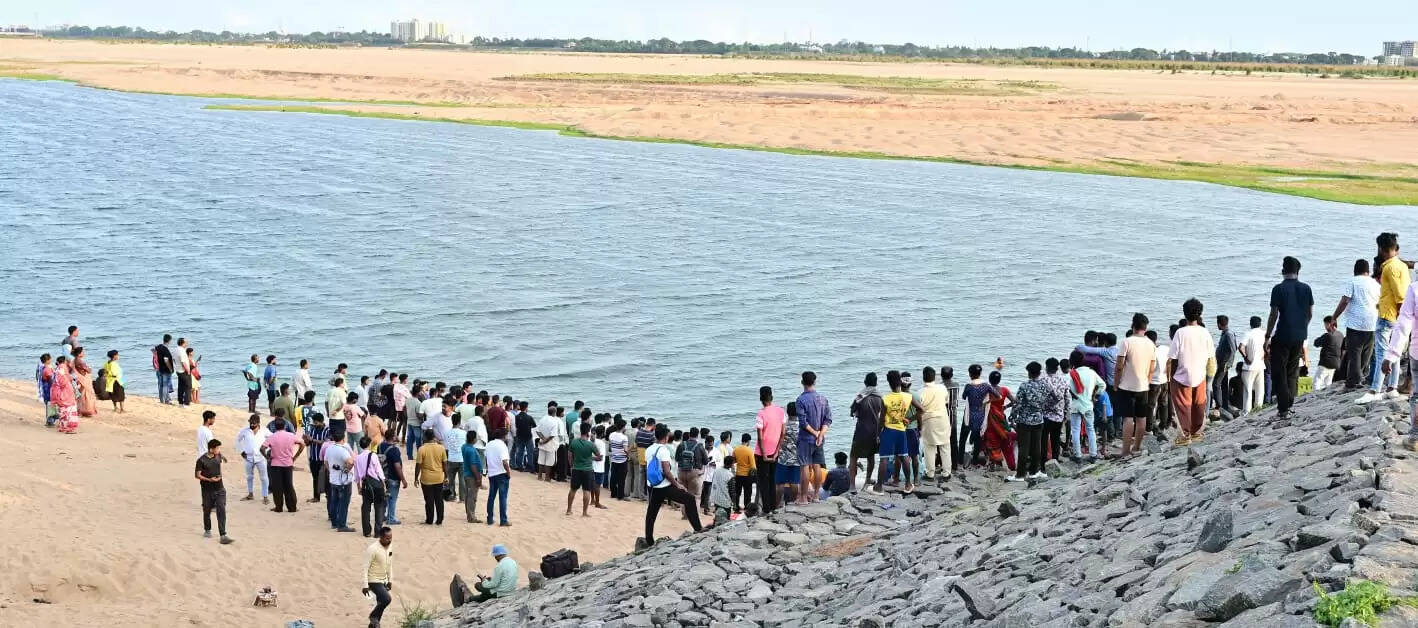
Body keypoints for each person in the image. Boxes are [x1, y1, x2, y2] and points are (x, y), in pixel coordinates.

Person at [1265, 256, 1314, 420]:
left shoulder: (1278, 289)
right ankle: (1290, 402)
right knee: (1293, 370)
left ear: (1283, 271)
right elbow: (1310, 313)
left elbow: (1274, 314)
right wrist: (1302, 326)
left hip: (1282, 335)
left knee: (1279, 372)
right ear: (1298, 271)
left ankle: (1283, 407)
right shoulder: (1306, 288)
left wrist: (1267, 336)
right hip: (1300, 335)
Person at [1364, 233, 1411, 402]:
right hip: (1395, 315)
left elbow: (1400, 296)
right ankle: (1392, 387)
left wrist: (1400, 318)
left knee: (1382, 352)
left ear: (1381, 248)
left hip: (1388, 315)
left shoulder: (1390, 268)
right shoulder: (1402, 265)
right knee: (1395, 351)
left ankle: (1375, 390)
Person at [643, 423, 703, 546]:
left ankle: (649, 539)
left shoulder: (649, 449)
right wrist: (677, 484)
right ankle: (698, 529)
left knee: (651, 513)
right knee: (690, 499)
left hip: (652, 485)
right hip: (664, 486)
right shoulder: (663, 450)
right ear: (665, 437)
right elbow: (666, 471)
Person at [1169, 298, 1216, 444]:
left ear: (1185, 314)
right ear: (1200, 313)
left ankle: (1185, 435)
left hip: (1183, 374)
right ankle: (1196, 433)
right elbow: (1210, 356)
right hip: (1200, 374)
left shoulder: (1180, 333)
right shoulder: (1205, 332)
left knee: (1183, 406)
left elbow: (1173, 358)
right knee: (1199, 404)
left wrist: (1171, 376)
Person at [1333, 258, 1381, 391]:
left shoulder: (1352, 281)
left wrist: (1334, 317)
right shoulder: (1376, 284)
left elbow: (1345, 301)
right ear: (1368, 270)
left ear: (1355, 270)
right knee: (1366, 353)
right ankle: (1359, 377)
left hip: (1355, 324)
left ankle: (1352, 383)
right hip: (1372, 323)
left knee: (1354, 354)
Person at [1380, 276, 1418, 443]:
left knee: (1417, 396)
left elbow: (1403, 325)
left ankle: (1415, 437)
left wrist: (1391, 356)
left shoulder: (1415, 289)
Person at [1115, 313, 1157, 458]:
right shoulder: (1151, 344)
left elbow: (1119, 366)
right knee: (1141, 418)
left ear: (1133, 325)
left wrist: (1116, 383)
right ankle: (1137, 447)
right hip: (1143, 386)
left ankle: (1125, 450)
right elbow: (1152, 367)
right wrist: (1148, 381)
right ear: (1146, 327)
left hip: (1126, 386)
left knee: (1128, 418)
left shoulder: (1127, 342)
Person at [1011, 362, 1057, 482]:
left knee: (1024, 448)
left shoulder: (1024, 386)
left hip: (1025, 420)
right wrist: (1045, 407)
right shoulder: (1045, 384)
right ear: (1039, 372)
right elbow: (1056, 397)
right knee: (1037, 446)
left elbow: (1018, 404)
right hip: (1039, 419)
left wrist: (1012, 417)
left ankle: (1020, 475)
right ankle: (1034, 471)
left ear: (1029, 373)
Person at [871, 371, 912, 495]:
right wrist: (909, 419)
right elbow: (921, 409)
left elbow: (882, 419)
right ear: (900, 381)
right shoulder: (907, 396)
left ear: (889, 383)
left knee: (884, 458)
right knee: (904, 456)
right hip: (901, 431)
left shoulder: (886, 398)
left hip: (889, 431)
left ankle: (878, 487)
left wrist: (878, 434)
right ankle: (908, 484)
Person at [794, 371, 832, 504]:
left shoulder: (800, 400)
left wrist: (816, 433)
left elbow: (803, 423)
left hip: (806, 438)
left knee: (804, 466)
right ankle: (816, 496)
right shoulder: (823, 398)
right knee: (817, 466)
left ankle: (803, 498)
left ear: (802, 382)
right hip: (819, 439)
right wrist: (821, 434)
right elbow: (828, 420)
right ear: (814, 382)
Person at [1067, 350, 1104, 462]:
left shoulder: (1071, 374)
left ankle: (1077, 455)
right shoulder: (1091, 373)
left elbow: (1066, 389)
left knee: (1075, 430)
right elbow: (1102, 385)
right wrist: (1095, 396)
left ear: (1071, 361)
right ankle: (1093, 454)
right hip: (1088, 404)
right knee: (1090, 429)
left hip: (1075, 405)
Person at [195, 438, 234, 544]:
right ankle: (207, 530)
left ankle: (223, 535)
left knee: (221, 509)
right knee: (207, 510)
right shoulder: (201, 460)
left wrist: (224, 458)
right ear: (211, 449)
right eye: (217, 448)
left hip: (220, 489)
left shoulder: (218, 455)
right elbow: (197, 475)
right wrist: (209, 480)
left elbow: (220, 455)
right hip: (207, 490)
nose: (219, 450)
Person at [916, 367, 952, 481]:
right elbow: (946, 400)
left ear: (923, 377)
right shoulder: (942, 388)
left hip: (928, 421)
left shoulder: (920, 392)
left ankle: (930, 473)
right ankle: (947, 473)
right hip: (942, 419)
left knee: (929, 448)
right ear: (935, 377)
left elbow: (918, 409)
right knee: (945, 446)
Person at [754, 386, 786, 514]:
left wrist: (764, 454)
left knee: (763, 482)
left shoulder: (761, 413)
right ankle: (773, 506)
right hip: (775, 452)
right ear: (772, 397)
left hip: (761, 453)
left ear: (761, 398)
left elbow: (760, 437)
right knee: (773, 480)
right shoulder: (780, 411)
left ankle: (766, 509)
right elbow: (783, 433)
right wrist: (777, 451)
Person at [264, 419, 304, 513]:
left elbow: (262, 448)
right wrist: (295, 457)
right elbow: (302, 444)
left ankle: (278, 507)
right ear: (285, 426)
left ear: (275, 426)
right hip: (288, 463)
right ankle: (292, 508)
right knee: (289, 486)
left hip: (275, 464)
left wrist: (268, 458)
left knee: (277, 486)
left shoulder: (272, 437)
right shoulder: (291, 436)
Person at [354, 436, 387, 536]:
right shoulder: (373, 456)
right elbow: (379, 471)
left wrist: (359, 488)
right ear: (369, 445)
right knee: (379, 507)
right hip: (376, 483)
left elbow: (357, 475)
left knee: (366, 508)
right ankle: (378, 531)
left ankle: (367, 531)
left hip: (365, 484)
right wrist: (384, 484)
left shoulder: (357, 458)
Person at [982, 371, 1016, 469]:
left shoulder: (987, 390)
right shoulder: (1004, 390)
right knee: (1001, 435)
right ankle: (1001, 458)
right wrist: (1005, 407)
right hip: (1000, 416)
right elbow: (1014, 401)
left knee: (990, 437)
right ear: (999, 380)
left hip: (989, 417)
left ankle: (994, 460)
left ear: (989, 379)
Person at [324, 430, 356, 532]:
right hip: (343, 480)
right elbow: (351, 462)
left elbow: (325, 462)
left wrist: (331, 471)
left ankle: (334, 522)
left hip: (333, 479)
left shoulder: (329, 448)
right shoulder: (343, 450)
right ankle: (342, 525)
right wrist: (347, 470)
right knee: (344, 503)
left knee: (334, 501)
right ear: (343, 439)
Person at [362, 527, 394, 628]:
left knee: (380, 604)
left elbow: (390, 564)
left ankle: (374, 625)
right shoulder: (372, 549)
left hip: (383, 580)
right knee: (386, 599)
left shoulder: (390, 547)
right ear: (381, 537)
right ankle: (373, 616)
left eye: (391, 538)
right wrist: (365, 585)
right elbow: (365, 567)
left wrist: (390, 580)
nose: (389, 540)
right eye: (387, 538)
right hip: (373, 580)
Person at [568, 422, 601, 517]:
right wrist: (591, 458)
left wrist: (571, 465)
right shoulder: (591, 445)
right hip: (588, 470)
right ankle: (584, 512)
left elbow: (570, 455)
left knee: (573, 490)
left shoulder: (574, 442)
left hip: (576, 469)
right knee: (586, 491)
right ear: (588, 432)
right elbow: (599, 456)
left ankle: (569, 509)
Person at [414, 428, 447, 526]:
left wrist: (416, 478)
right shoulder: (441, 448)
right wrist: (446, 476)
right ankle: (439, 520)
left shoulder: (422, 449)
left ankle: (429, 519)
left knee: (429, 500)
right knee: (439, 499)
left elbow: (418, 465)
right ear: (434, 437)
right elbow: (445, 464)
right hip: (439, 477)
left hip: (426, 479)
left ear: (425, 437)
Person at [235, 414, 270, 504]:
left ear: (258, 423)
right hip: (248, 458)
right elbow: (237, 440)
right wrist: (241, 451)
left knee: (264, 478)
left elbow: (272, 439)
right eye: (250, 423)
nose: (252, 425)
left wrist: (268, 450)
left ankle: (265, 496)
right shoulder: (245, 431)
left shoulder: (264, 430)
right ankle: (250, 494)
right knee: (249, 477)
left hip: (261, 458)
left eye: (254, 423)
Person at [1238, 316, 1267, 414]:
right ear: (1260, 324)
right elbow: (1269, 344)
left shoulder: (1248, 333)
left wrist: (1246, 358)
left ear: (1251, 324)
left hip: (1249, 367)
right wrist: (1265, 354)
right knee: (1260, 390)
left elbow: (1241, 347)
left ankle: (1246, 412)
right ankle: (1258, 409)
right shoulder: (1264, 333)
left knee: (1248, 391)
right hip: (1260, 366)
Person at [378, 428, 407, 525]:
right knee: (392, 499)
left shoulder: (381, 446)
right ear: (393, 437)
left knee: (384, 498)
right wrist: (403, 479)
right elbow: (397, 466)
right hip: (393, 477)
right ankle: (391, 518)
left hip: (383, 476)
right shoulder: (394, 450)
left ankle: (382, 516)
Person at [485, 428, 512, 527]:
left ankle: (490, 518)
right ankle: (503, 520)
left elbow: (486, 458)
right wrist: (508, 472)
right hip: (501, 473)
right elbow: (505, 461)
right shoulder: (502, 446)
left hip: (492, 473)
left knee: (491, 496)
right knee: (503, 497)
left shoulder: (489, 444)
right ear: (503, 436)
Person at [1313, 316, 1345, 390]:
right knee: (1328, 382)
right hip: (1336, 362)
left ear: (1329, 324)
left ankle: (1315, 397)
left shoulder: (1327, 335)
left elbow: (1316, 343)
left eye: (1325, 325)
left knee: (1317, 381)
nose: (1325, 327)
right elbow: (1342, 349)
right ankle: (1325, 397)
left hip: (1325, 362)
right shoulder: (1341, 335)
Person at [303, 411, 329, 504]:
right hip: (313, 458)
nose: (314, 424)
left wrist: (312, 440)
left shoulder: (327, 430)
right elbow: (308, 443)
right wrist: (306, 439)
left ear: (321, 421)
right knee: (315, 478)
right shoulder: (313, 430)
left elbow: (326, 443)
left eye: (316, 422)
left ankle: (328, 496)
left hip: (323, 459)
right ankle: (316, 497)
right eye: (314, 422)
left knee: (325, 478)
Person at [460, 431, 485, 523]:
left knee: (468, 495)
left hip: (467, 474)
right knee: (472, 496)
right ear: (474, 439)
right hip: (471, 475)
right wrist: (478, 478)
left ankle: (469, 514)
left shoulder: (465, 446)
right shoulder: (470, 450)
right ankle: (471, 516)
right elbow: (473, 465)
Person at [51, 356, 79, 434]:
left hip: (58, 391)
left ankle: (63, 426)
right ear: (65, 361)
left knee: (63, 408)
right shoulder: (62, 368)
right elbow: (63, 381)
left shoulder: (57, 369)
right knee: (69, 408)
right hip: (65, 392)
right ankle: (68, 428)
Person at [443, 413, 468, 503]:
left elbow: (446, 447)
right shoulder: (464, 433)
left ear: (452, 421)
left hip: (451, 458)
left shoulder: (447, 433)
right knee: (462, 480)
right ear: (459, 421)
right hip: (461, 459)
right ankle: (462, 498)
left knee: (451, 479)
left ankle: (452, 495)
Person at [535, 404, 561, 482]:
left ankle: (539, 476)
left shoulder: (543, 418)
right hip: (550, 443)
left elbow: (537, 431)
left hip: (542, 441)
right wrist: (546, 440)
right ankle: (547, 477)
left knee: (541, 460)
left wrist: (543, 439)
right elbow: (553, 435)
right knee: (549, 461)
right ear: (555, 413)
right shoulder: (554, 421)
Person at [732, 434, 756, 513]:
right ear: (748, 441)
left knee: (737, 492)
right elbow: (753, 466)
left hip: (738, 474)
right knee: (747, 493)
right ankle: (746, 507)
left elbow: (734, 461)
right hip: (747, 475)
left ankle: (736, 508)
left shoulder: (736, 449)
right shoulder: (749, 450)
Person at [71, 347, 98, 418]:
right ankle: (86, 410)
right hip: (83, 379)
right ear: (79, 354)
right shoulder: (80, 361)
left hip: (80, 379)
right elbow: (88, 370)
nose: (84, 353)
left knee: (82, 395)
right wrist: (89, 369)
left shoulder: (75, 360)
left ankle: (82, 410)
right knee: (86, 395)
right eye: (82, 352)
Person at [710, 455, 736, 524]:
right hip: (725, 501)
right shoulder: (730, 475)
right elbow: (732, 491)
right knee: (726, 519)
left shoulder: (717, 470)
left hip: (716, 497)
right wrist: (735, 503)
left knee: (718, 514)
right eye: (733, 463)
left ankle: (715, 525)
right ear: (731, 464)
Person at [608, 418, 630, 499]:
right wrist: (628, 455)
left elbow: (610, 446)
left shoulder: (611, 435)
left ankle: (613, 493)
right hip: (622, 460)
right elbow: (625, 449)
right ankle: (620, 495)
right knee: (621, 479)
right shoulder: (624, 437)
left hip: (614, 458)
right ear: (623, 427)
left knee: (613, 477)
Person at [512, 401, 537, 472]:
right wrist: (528, 426)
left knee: (520, 452)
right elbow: (534, 425)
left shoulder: (516, 417)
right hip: (528, 436)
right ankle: (530, 467)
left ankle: (520, 466)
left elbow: (516, 425)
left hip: (519, 436)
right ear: (526, 408)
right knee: (530, 452)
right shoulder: (529, 417)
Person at [101, 349, 126, 413]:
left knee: (113, 394)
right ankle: (122, 409)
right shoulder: (114, 364)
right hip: (116, 380)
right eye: (117, 355)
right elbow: (115, 373)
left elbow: (105, 372)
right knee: (121, 395)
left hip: (109, 381)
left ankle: (115, 408)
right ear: (114, 356)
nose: (118, 356)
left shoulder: (106, 363)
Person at [154, 334, 175, 404]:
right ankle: (166, 400)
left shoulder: (158, 347)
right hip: (166, 370)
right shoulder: (166, 350)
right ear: (169, 341)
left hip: (159, 368)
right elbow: (166, 360)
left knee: (161, 385)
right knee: (165, 385)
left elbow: (153, 352)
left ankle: (161, 400)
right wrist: (170, 369)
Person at [174, 337, 192, 406]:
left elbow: (174, 360)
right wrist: (188, 371)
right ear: (183, 343)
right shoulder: (181, 351)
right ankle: (186, 403)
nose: (187, 343)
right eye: (186, 342)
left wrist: (177, 366)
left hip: (178, 370)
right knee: (188, 386)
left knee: (181, 387)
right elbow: (183, 362)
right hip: (183, 371)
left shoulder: (175, 350)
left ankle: (180, 402)